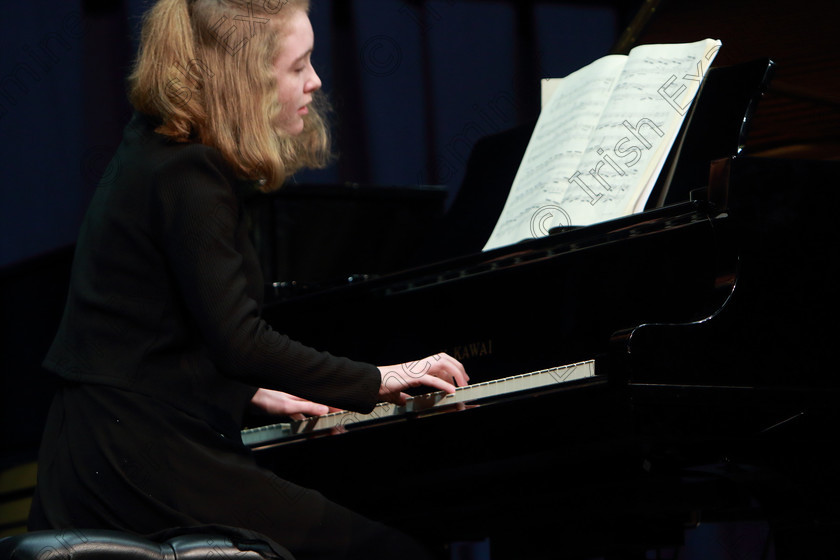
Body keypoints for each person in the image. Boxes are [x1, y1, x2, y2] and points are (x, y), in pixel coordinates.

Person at [26, 1, 468, 559]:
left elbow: (156, 323)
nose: (316, 81)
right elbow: (239, 340)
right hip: (138, 458)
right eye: (298, 66)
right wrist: (377, 377)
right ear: (246, 80)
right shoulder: (192, 172)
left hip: (107, 441)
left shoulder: (159, 147)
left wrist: (249, 390)